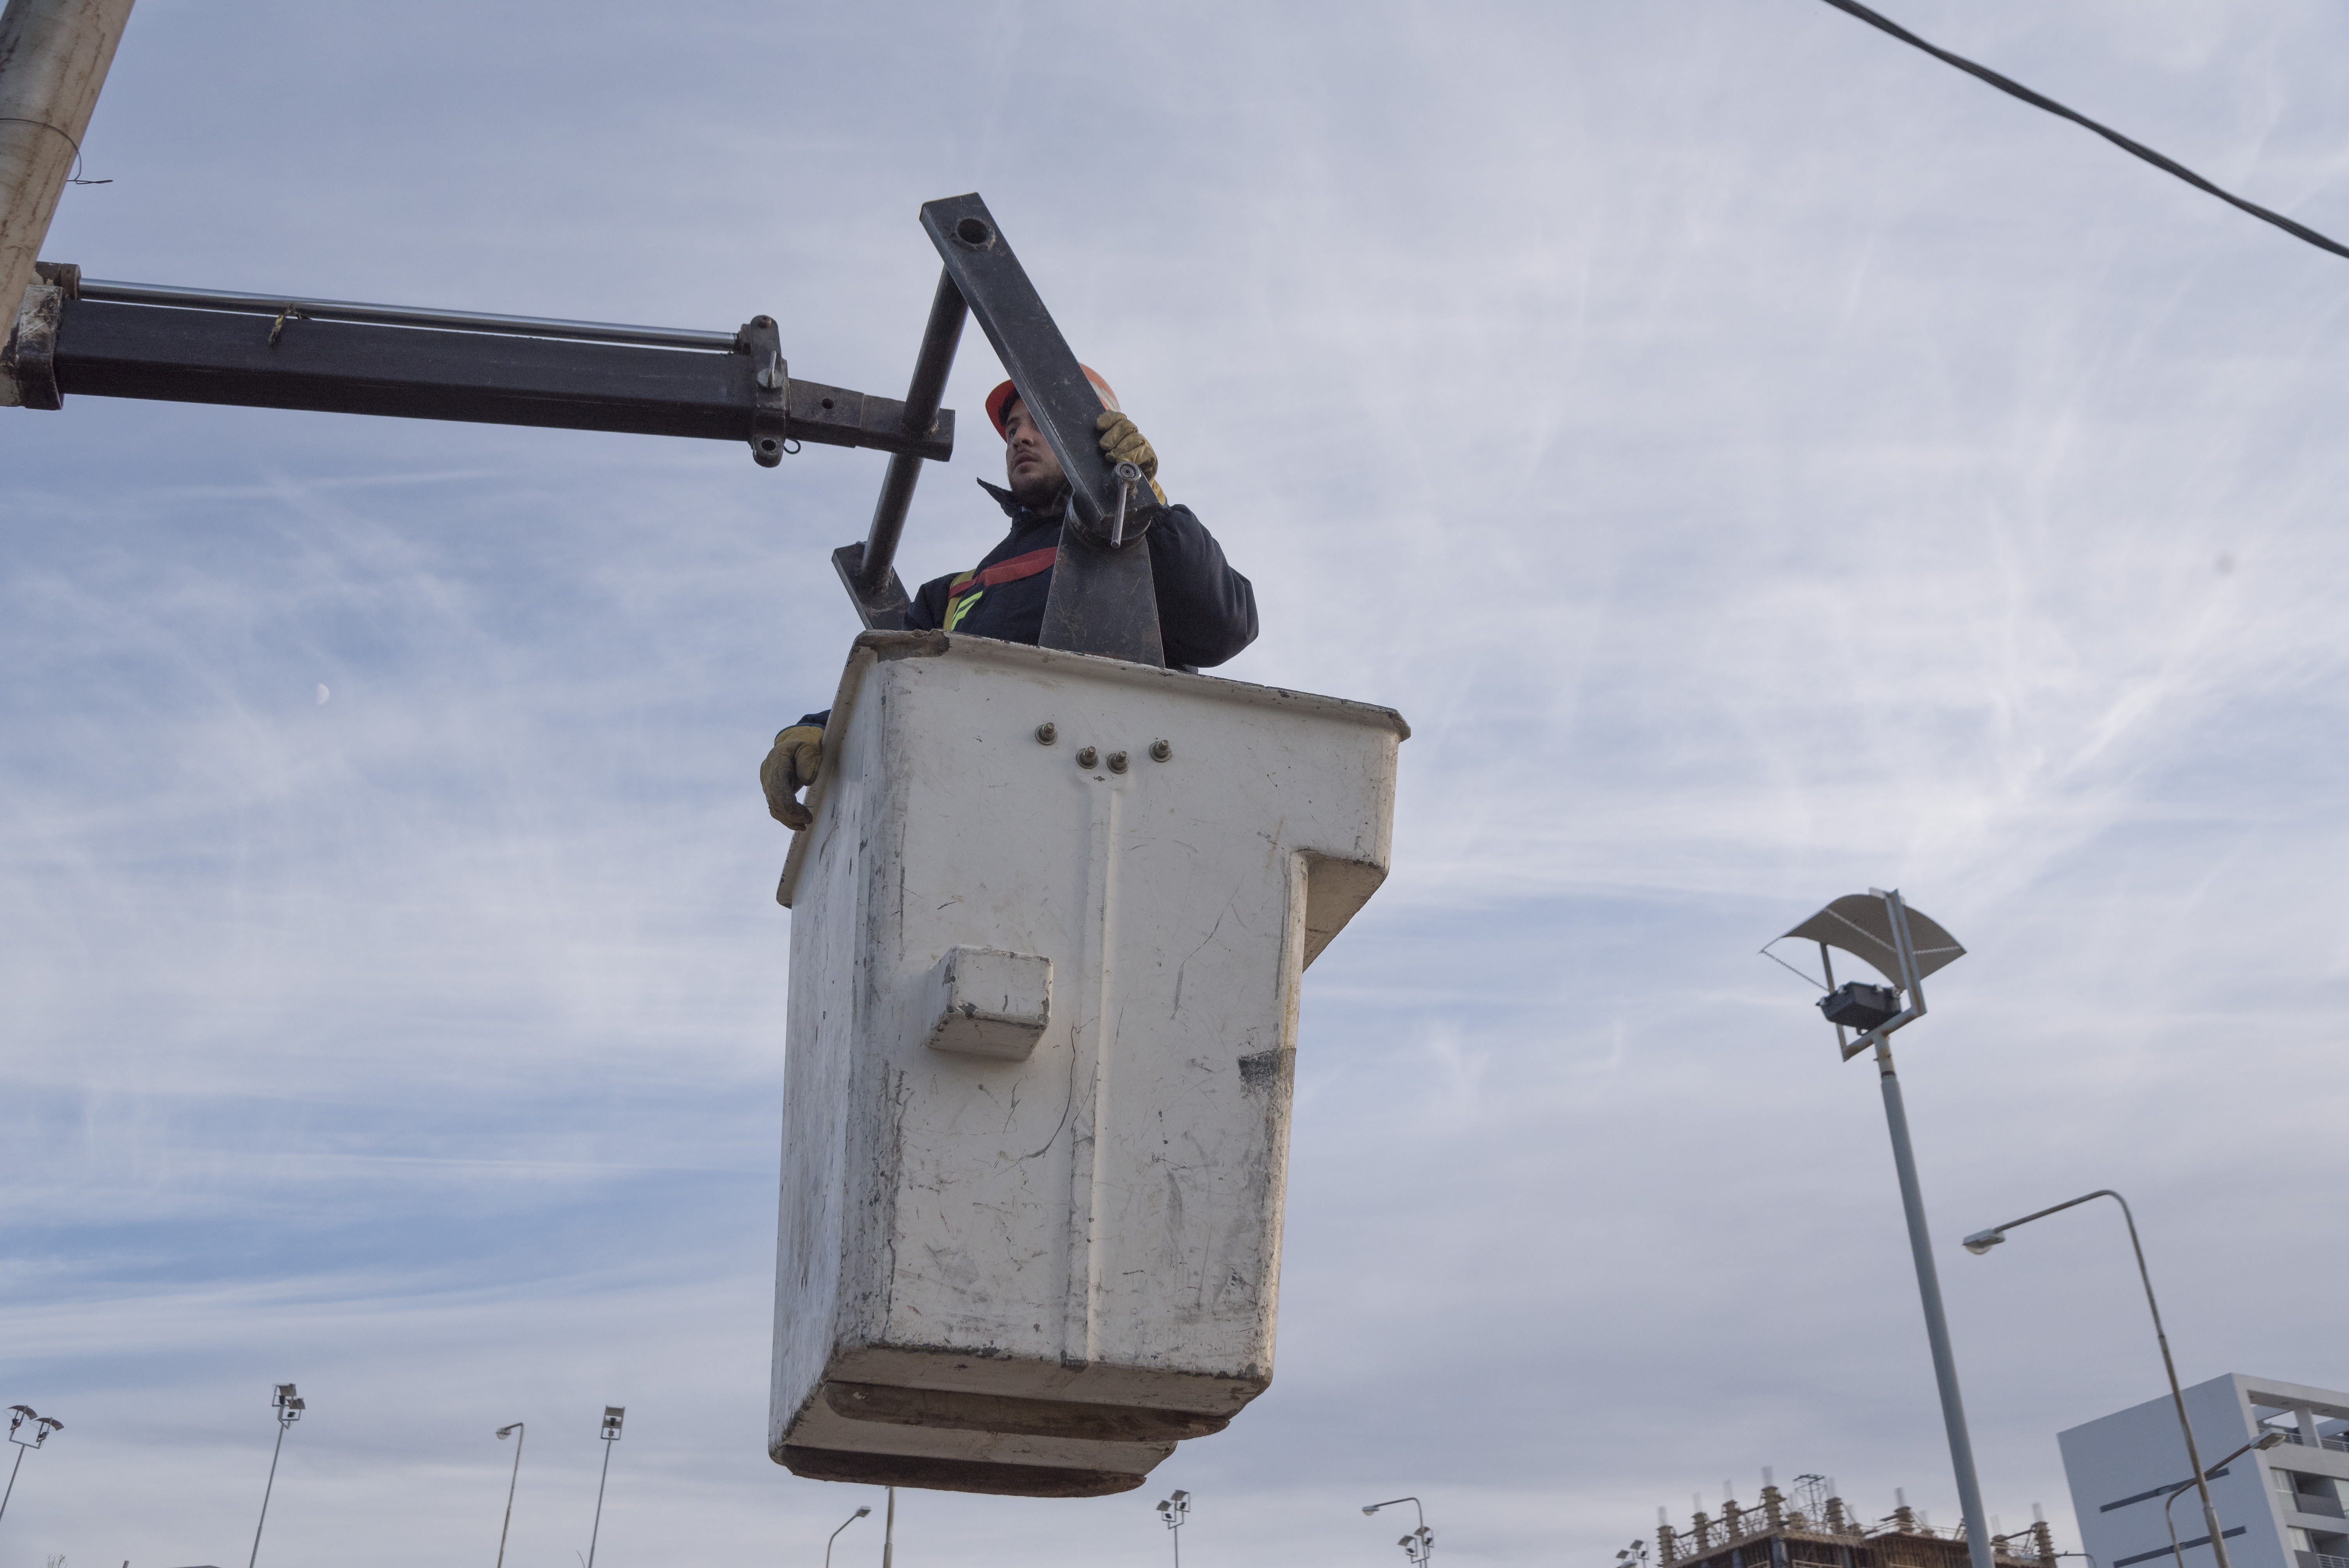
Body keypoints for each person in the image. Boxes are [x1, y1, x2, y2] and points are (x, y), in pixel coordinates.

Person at [760, 368, 1258, 830]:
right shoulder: (952, 593)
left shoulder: (1149, 545)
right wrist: (818, 731)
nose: (1018, 436)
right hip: (988, 814)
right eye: (1013, 428)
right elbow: (896, 687)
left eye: (1040, 421)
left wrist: (1147, 504)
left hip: (1128, 810)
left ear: (1100, 436)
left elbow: (1223, 627)